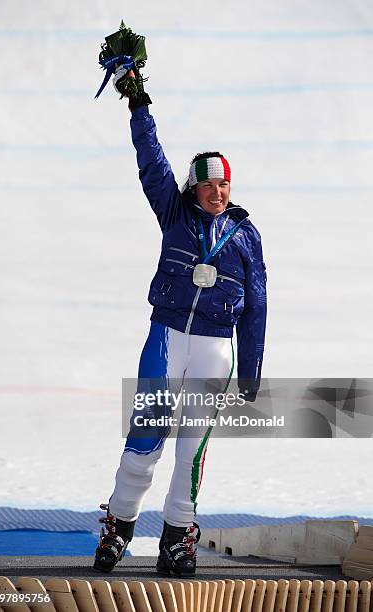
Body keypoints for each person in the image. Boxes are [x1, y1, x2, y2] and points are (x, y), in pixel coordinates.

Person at [93, 62, 267, 576]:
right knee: (147, 434)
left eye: (225, 186)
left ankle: (176, 536)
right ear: (193, 188)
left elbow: (257, 305)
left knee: (192, 450)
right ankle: (120, 523)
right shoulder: (174, 212)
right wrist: (138, 102)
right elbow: (151, 161)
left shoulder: (246, 236)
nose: (218, 192)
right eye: (209, 185)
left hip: (216, 348)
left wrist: (252, 369)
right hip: (167, 339)